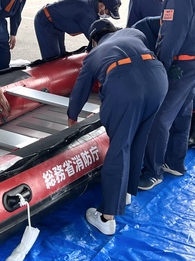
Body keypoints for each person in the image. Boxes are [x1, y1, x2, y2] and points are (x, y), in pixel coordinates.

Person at [67, 19, 167, 235]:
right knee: (138, 138)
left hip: (125, 86)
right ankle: (126, 193)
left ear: (94, 40)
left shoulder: (94, 54)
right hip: (158, 80)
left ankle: (107, 217)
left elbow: (81, 88)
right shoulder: (134, 33)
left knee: (119, 147)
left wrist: (72, 116)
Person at [137, 0, 195, 191]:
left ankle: (153, 171)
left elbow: (170, 37)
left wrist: (162, 67)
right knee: (182, 114)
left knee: (159, 118)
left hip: (180, 66)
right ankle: (175, 162)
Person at [34, 0, 122, 60]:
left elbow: (100, 28)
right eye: (108, 13)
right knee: (52, 59)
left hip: (58, 23)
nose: (108, 16)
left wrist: (119, 31)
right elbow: (97, 38)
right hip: (46, 22)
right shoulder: (86, 13)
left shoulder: (94, 1)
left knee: (60, 57)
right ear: (102, 6)